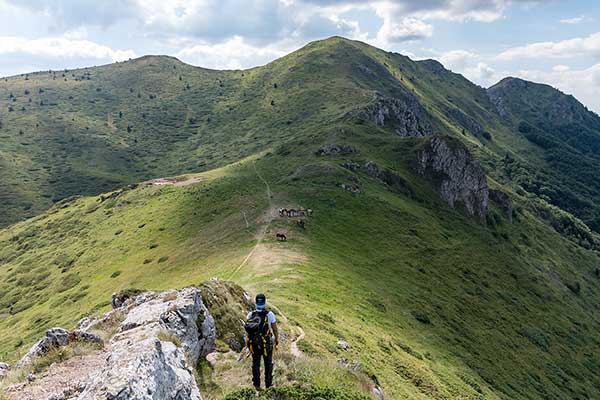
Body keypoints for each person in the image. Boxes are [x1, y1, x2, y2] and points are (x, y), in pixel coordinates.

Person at [245, 293, 279, 391]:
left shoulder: (250, 314)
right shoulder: (270, 314)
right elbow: (275, 329)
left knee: (255, 364)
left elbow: (248, 329)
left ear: (256, 303)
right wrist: (276, 340)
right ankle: (268, 385)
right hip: (266, 345)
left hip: (254, 345)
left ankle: (256, 385)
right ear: (264, 302)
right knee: (268, 364)